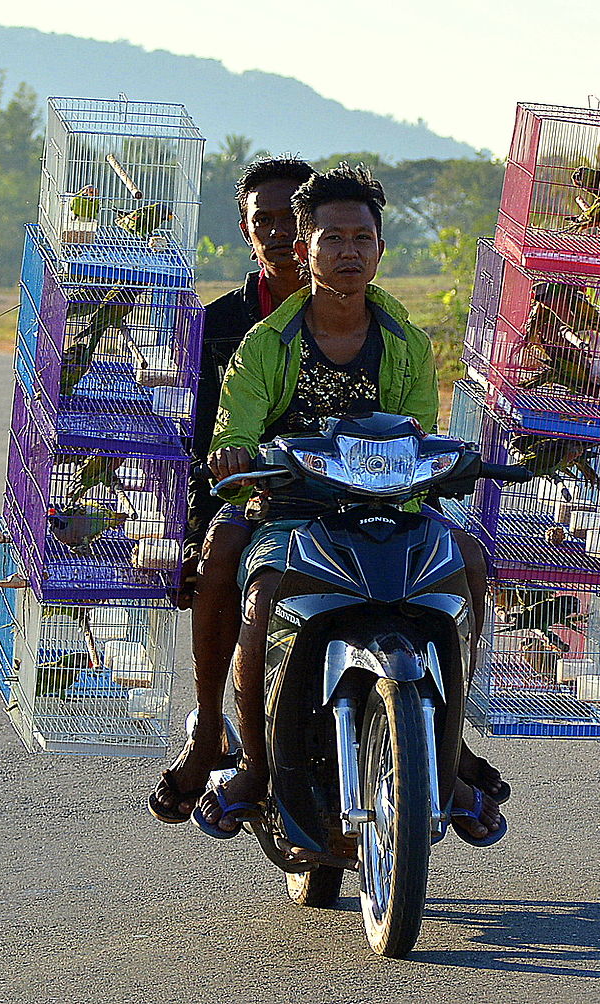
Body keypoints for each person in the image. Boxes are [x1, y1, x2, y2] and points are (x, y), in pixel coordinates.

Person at [195, 164, 507, 844]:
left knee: (471, 562)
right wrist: (236, 456)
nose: (348, 253)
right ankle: (252, 768)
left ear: (380, 250)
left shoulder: (408, 343)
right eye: (331, 238)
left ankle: (449, 752)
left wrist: (441, 463)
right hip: (288, 510)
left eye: (362, 239)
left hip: (389, 512)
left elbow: (420, 435)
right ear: (305, 249)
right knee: (262, 593)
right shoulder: (263, 345)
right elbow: (235, 432)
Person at [148, 157, 316, 824]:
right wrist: (188, 535)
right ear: (246, 232)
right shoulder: (219, 326)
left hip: (349, 497)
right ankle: (210, 729)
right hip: (250, 497)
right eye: (263, 222)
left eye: (292, 220)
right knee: (221, 550)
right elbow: (194, 448)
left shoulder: (365, 317)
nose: (281, 235)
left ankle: (443, 752)